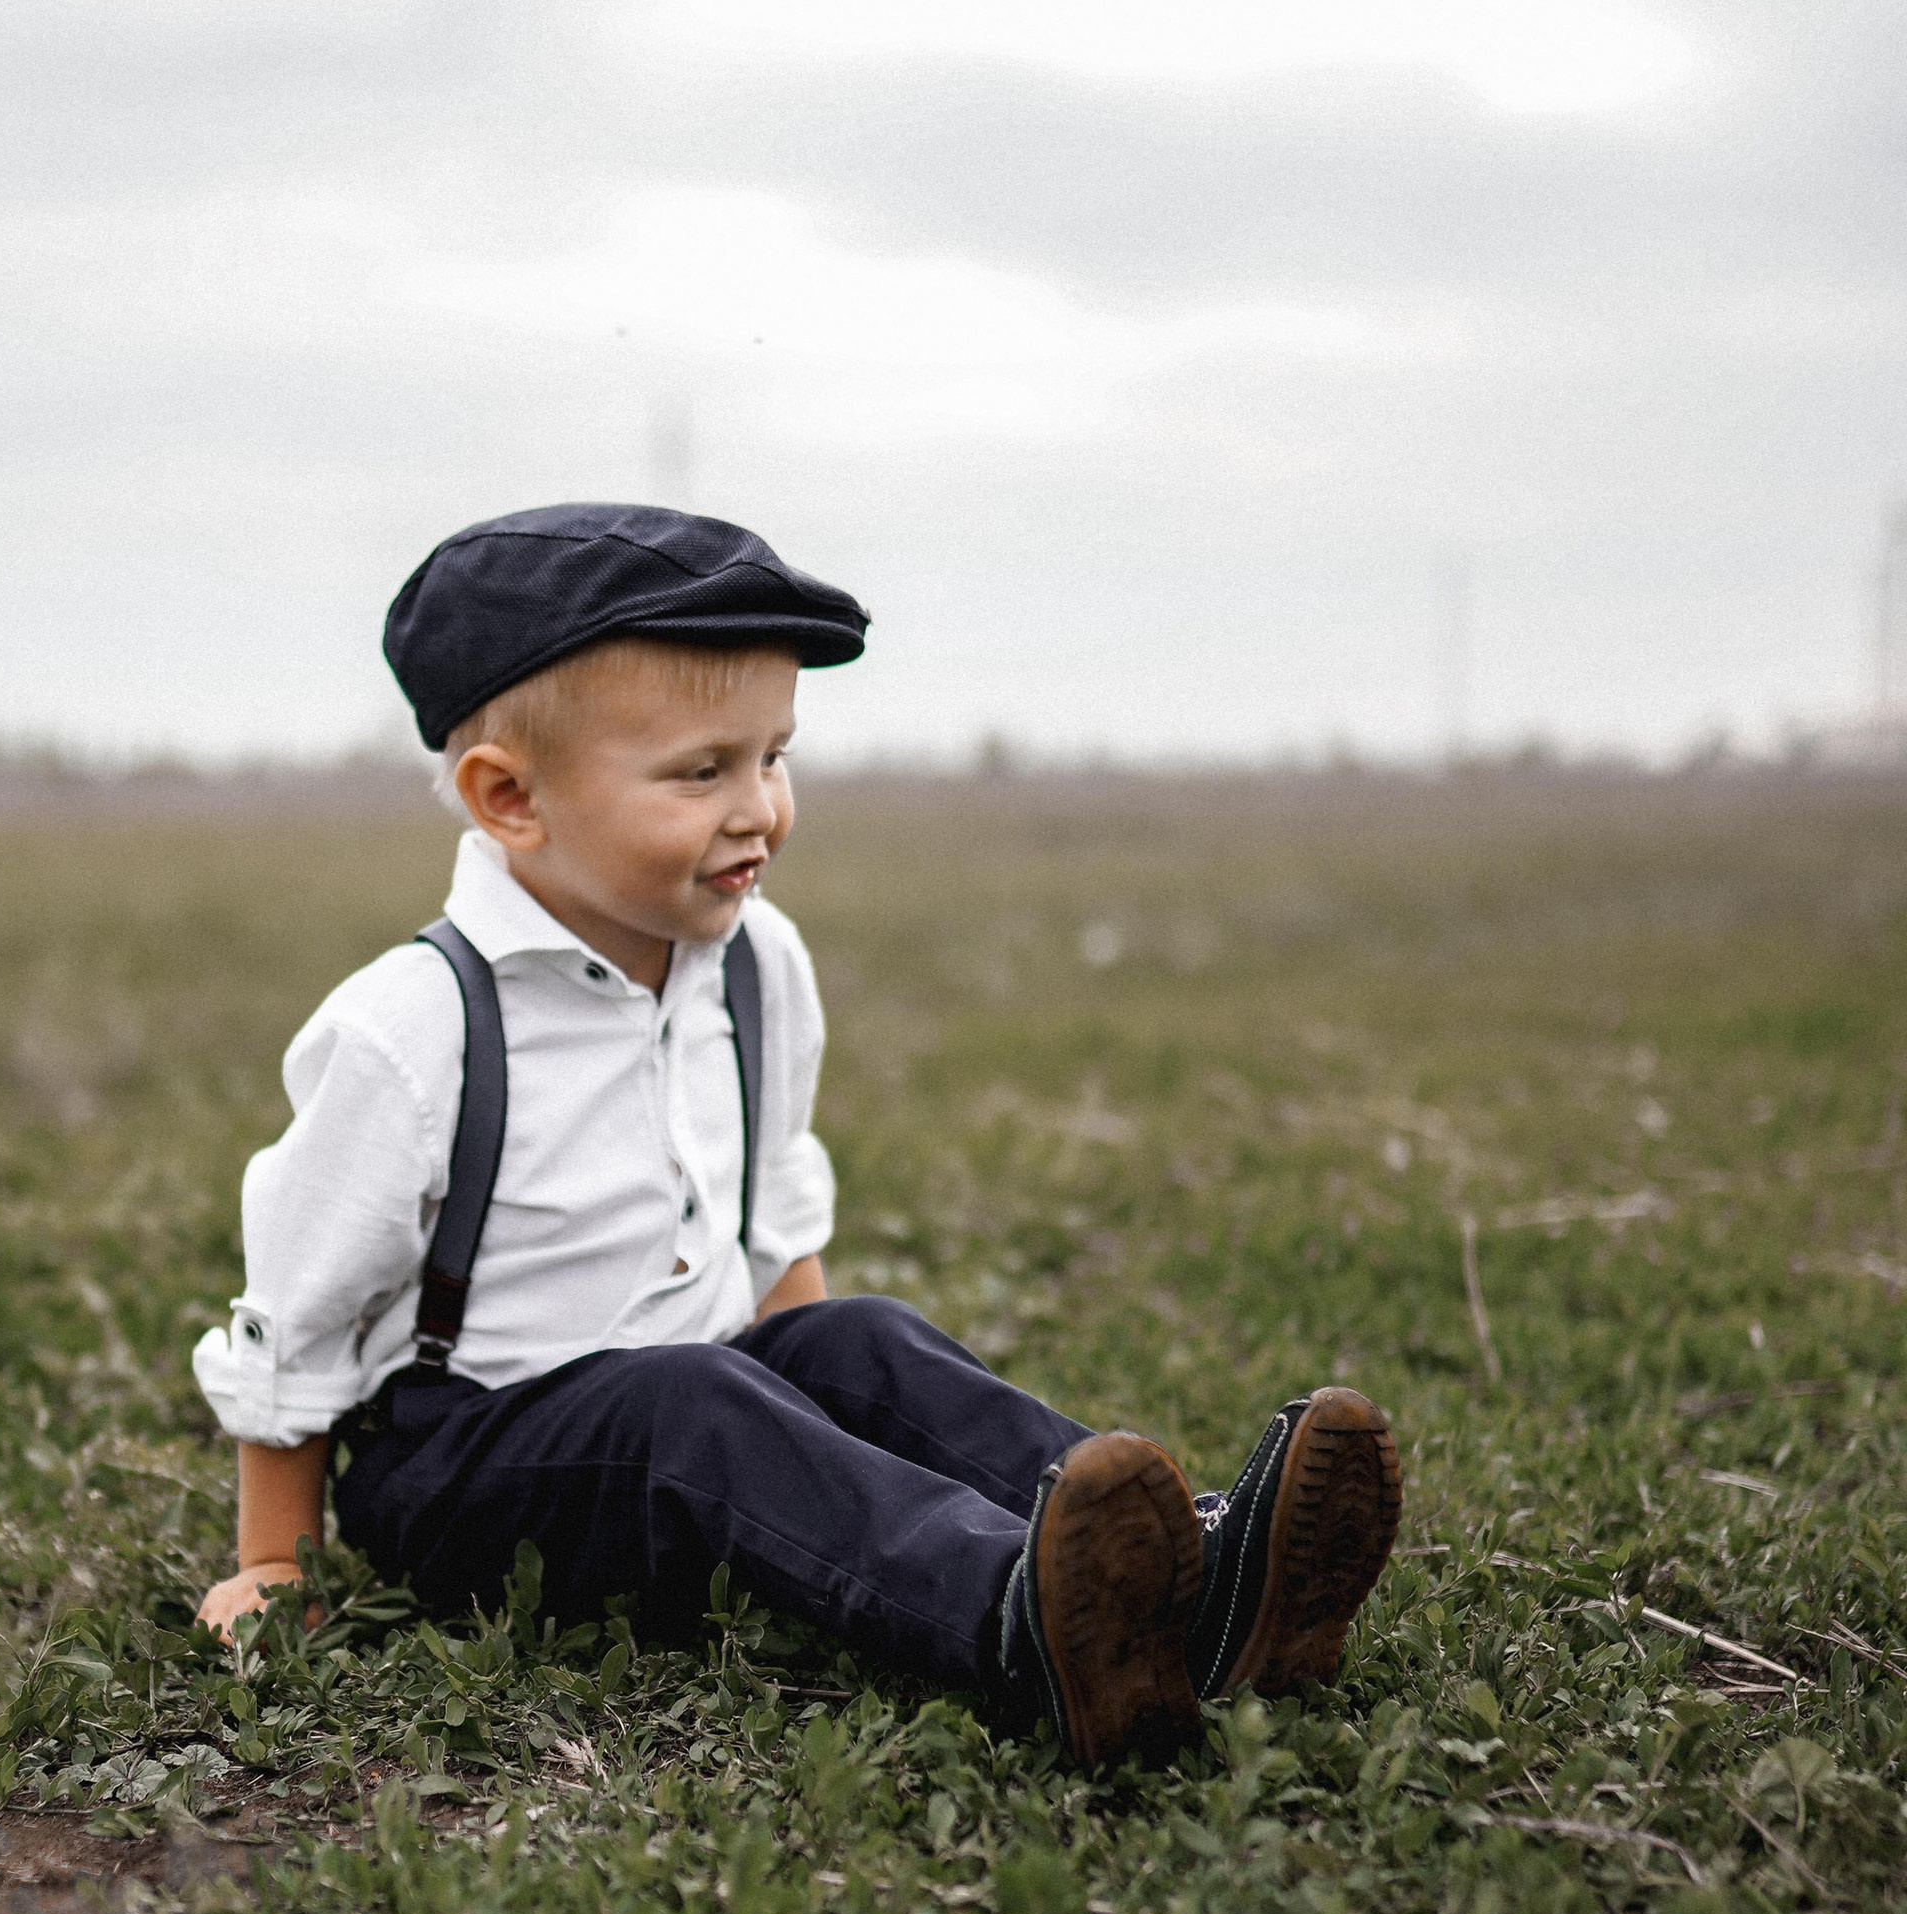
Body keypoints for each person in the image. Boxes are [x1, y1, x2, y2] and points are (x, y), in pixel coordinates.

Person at [193, 503, 1399, 1767]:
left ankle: (1199, 1578)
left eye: (773, 756)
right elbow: (299, 1306)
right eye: (700, 772)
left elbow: (772, 1226)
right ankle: (1017, 1617)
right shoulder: (415, 1025)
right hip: (464, 1471)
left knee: (858, 1337)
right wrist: (276, 1560)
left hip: (686, 1407)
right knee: (692, 1398)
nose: (758, 808)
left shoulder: (755, 968)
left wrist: (827, 1386)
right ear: (511, 799)